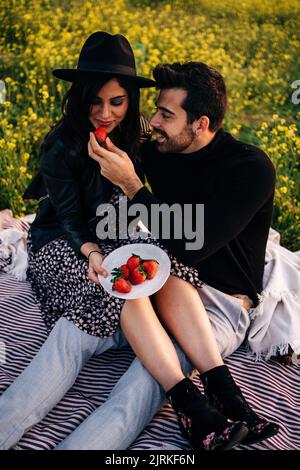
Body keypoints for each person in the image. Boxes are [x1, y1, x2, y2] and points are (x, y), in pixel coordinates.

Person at [0, 34, 257, 451]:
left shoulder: (138, 134)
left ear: (130, 102)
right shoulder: (61, 146)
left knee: (171, 268)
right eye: (95, 101)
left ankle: (222, 394)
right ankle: (190, 404)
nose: (104, 113)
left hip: (115, 232)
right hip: (63, 242)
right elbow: (66, 219)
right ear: (81, 97)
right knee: (122, 285)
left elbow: (175, 175)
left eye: (117, 102)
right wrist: (93, 251)